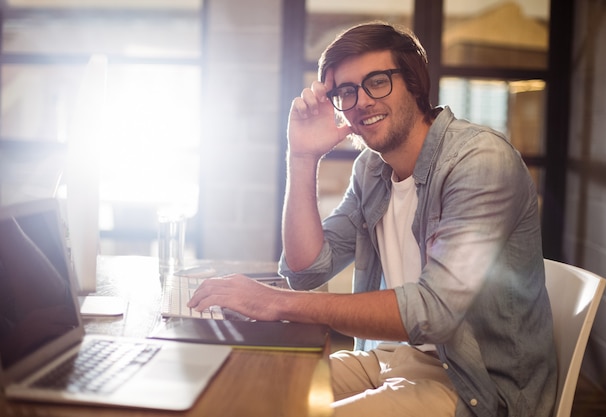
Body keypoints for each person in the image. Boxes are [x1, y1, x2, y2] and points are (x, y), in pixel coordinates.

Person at [188, 22, 557, 417]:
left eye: (377, 82)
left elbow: (433, 313)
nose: (361, 101)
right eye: (346, 91)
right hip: (391, 358)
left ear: (414, 83)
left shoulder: (479, 161)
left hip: (478, 386)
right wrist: (302, 157)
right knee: (255, 385)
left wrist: (277, 303)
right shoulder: (372, 170)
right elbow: (306, 270)